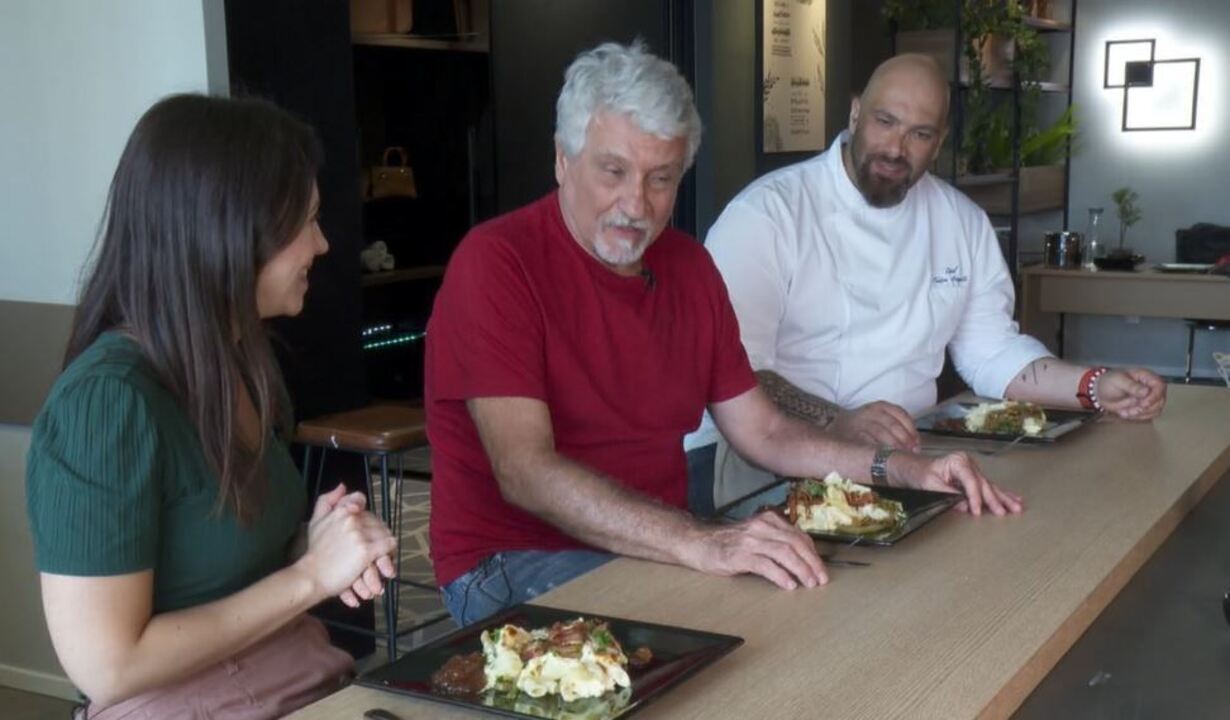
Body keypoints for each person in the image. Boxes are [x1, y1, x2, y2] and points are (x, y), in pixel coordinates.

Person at [425, 42, 1023, 628]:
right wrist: (700, 543)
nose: (635, 203)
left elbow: (763, 431)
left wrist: (900, 468)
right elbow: (524, 469)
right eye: (613, 172)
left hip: (653, 543)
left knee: (813, 608)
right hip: (508, 558)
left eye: (661, 178)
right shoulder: (497, 262)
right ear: (562, 159)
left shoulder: (688, 267)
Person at [25, 95, 398, 719]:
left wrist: (319, 541)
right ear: (225, 234)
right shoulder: (107, 406)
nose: (323, 243)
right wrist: (310, 578)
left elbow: (222, 562)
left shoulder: (234, 362)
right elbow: (109, 667)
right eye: (303, 221)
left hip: (291, 685)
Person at [684, 54, 1168, 511]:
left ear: (938, 144)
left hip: (909, 453)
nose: (896, 148)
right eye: (885, 121)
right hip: (768, 460)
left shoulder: (960, 221)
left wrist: (1096, 385)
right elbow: (732, 373)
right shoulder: (769, 214)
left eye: (919, 133)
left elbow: (991, 351)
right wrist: (838, 420)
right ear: (855, 114)